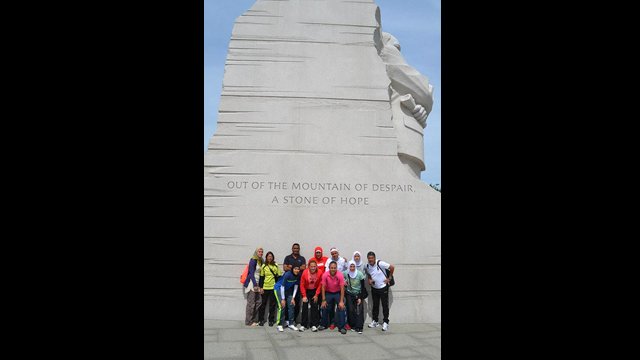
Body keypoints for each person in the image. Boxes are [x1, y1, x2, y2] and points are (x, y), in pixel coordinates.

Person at [376, 31, 434, 179]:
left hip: (403, 137)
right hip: (401, 136)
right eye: (396, 49)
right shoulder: (382, 43)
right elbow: (422, 92)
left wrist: (422, 109)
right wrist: (426, 100)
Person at [365, 251, 394, 331]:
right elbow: (368, 273)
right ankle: (375, 321)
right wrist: (369, 279)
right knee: (375, 305)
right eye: (369, 258)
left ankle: (386, 322)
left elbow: (392, 267)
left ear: (374, 258)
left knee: (385, 305)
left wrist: (389, 278)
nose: (370, 260)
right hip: (374, 288)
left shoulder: (380, 263)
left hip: (383, 287)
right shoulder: (367, 266)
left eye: (372, 258)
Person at [319, 261, 347, 334]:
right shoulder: (325, 275)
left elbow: (342, 288)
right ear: (329, 268)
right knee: (324, 306)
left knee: (341, 307)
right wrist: (323, 300)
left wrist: (341, 301)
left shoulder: (340, 275)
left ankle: (342, 327)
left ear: (336, 268)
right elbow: (323, 287)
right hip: (328, 293)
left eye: (334, 268)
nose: (333, 269)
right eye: (331, 268)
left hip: (337, 293)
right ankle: (323, 324)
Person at [282, 243, 306, 325]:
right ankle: (286, 319)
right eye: (294, 248)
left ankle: (294, 320)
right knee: (287, 302)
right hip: (289, 284)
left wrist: (291, 267)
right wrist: (297, 267)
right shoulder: (287, 257)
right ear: (292, 249)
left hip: (298, 282)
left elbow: (304, 267)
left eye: (297, 248)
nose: (296, 249)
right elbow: (284, 268)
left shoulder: (302, 258)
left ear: (299, 249)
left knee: (296, 302)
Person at [273, 265, 301, 332]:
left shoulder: (298, 276)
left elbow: (296, 286)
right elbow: (282, 286)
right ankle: (279, 324)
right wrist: (283, 299)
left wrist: (293, 298)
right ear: (292, 269)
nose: (296, 270)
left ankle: (291, 323)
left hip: (287, 290)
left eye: (298, 269)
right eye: (295, 268)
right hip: (279, 288)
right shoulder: (287, 274)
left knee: (291, 304)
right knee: (282, 306)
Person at [299, 259, 323, 332]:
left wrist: (316, 295)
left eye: (314, 266)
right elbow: (302, 284)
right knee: (305, 307)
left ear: (316, 267)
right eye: (311, 266)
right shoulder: (305, 272)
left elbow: (320, 284)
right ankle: (303, 325)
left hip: (314, 291)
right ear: (308, 266)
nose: (313, 268)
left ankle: (314, 325)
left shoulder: (320, 272)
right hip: (306, 290)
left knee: (314, 307)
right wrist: (304, 296)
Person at [258, 251, 281, 326]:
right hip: (265, 288)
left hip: (273, 288)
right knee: (263, 304)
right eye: (268, 256)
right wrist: (261, 287)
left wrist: (277, 286)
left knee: (272, 305)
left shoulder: (276, 265)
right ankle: (261, 320)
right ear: (266, 257)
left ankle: (271, 320)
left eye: (271, 256)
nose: (270, 257)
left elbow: (279, 276)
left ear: (273, 257)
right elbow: (261, 277)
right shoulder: (263, 266)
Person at [343, 260, 366, 334]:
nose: (352, 268)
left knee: (359, 310)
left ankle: (359, 327)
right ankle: (352, 325)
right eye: (350, 266)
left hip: (358, 294)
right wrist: (343, 281)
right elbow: (339, 276)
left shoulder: (359, 274)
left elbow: (363, 287)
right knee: (350, 309)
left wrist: (360, 297)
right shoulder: (346, 273)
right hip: (349, 294)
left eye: (353, 266)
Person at [243, 247, 264, 326]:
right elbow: (251, 273)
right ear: (256, 252)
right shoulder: (253, 260)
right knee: (251, 303)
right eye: (259, 251)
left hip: (257, 283)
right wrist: (255, 284)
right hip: (253, 283)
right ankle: (248, 321)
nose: (261, 253)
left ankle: (252, 319)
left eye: (262, 252)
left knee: (259, 301)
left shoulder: (261, 261)